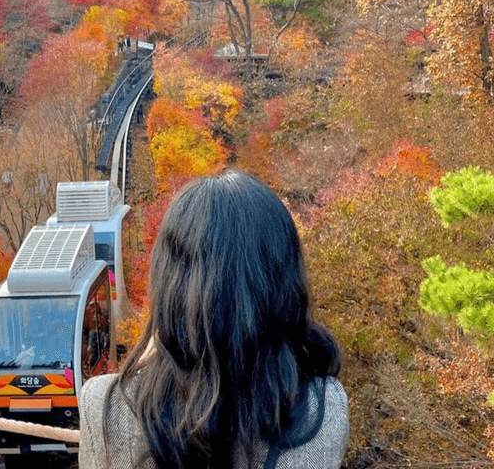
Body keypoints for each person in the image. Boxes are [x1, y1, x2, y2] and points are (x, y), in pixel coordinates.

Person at [78, 170, 348, 469]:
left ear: (168, 284)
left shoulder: (104, 405)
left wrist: (163, 343)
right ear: (283, 284)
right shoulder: (322, 409)